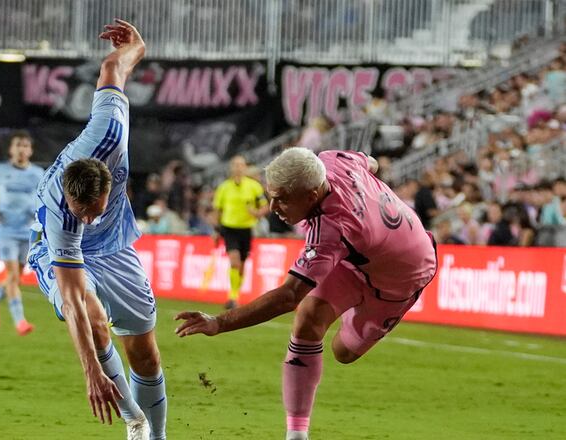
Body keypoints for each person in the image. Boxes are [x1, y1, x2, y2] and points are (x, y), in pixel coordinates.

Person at [175, 148, 437, 440]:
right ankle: (297, 435)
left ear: (311, 196)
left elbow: (289, 297)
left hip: (402, 275)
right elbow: (371, 162)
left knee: (343, 352)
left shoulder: (333, 227)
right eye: (271, 195)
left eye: (282, 198)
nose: (273, 206)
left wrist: (219, 322)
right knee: (309, 318)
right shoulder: (332, 160)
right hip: (357, 257)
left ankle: (360, 307)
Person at [26, 20, 165, 440]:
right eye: (81, 211)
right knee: (92, 315)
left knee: (145, 354)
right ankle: (133, 421)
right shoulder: (60, 215)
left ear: (110, 182)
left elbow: (111, 70)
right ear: (70, 199)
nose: (87, 217)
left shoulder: (111, 130)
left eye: (94, 210)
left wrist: (135, 48)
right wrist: (91, 372)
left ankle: (156, 437)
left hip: (116, 246)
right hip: (57, 252)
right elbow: (72, 300)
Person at [0, 131, 45, 336]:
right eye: (18, 145)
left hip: (29, 230)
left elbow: (45, 198)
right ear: (11, 149)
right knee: (14, 275)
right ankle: (20, 321)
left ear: (30, 150)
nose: (22, 149)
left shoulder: (38, 173)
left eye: (25, 145)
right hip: (6, 228)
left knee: (17, 275)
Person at [213, 155, 269, 309]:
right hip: (229, 228)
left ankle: (235, 294)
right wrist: (216, 231)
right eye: (235, 165)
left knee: (242, 265)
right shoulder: (223, 187)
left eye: (241, 165)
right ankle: (232, 297)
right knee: (234, 261)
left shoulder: (254, 187)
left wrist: (257, 213)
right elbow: (217, 210)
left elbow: (265, 206)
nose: (238, 167)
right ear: (231, 168)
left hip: (246, 229)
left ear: (245, 168)